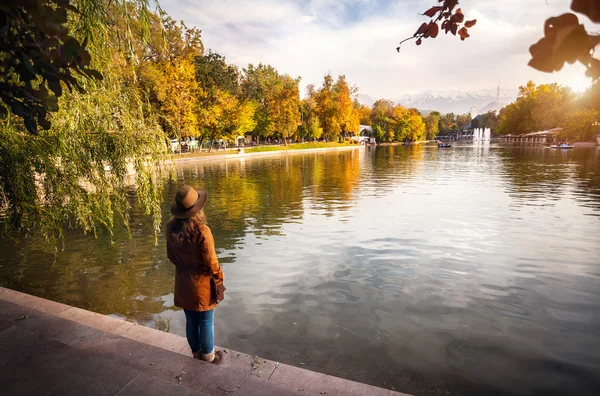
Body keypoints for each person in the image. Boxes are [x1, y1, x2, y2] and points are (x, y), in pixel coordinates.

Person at [166, 185, 225, 364]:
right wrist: (219, 276)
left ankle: (196, 354)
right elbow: (211, 262)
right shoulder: (202, 231)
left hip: (183, 283)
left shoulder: (171, 228)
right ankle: (209, 356)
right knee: (206, 321)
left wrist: (185, 267)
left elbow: (171, 256)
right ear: (197, 209)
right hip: (202, 284)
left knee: (191, 320)